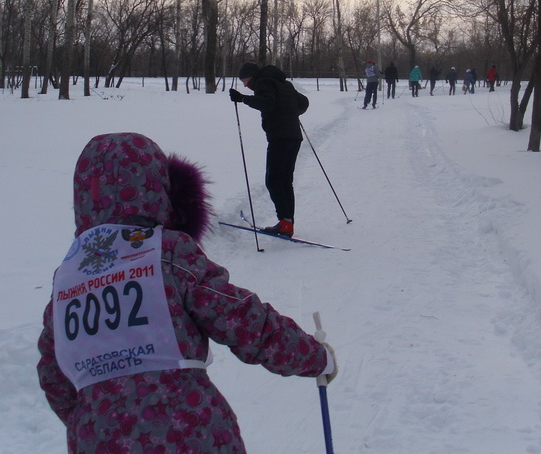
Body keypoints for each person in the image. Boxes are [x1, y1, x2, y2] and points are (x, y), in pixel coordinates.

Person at [37, 132, 336, 453]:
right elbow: (244, 321)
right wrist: (316, 358)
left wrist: (95, 418)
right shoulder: (165, 253)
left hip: (97, 438)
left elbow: (54, 377)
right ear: (157, 188)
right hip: (190, 434)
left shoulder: (67, 279)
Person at [229, 61, 308, 237]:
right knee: (285, 181)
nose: (245, 85)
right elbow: (303, 103)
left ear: (252, 76)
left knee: (273, 180)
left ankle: (285, 223)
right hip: (294, 136)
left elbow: (267, 103)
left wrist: (242, 98)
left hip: (280, 136)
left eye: (245, 81)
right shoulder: (283, 83)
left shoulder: (263, 82)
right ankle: (287, 223)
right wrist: (290, 111)